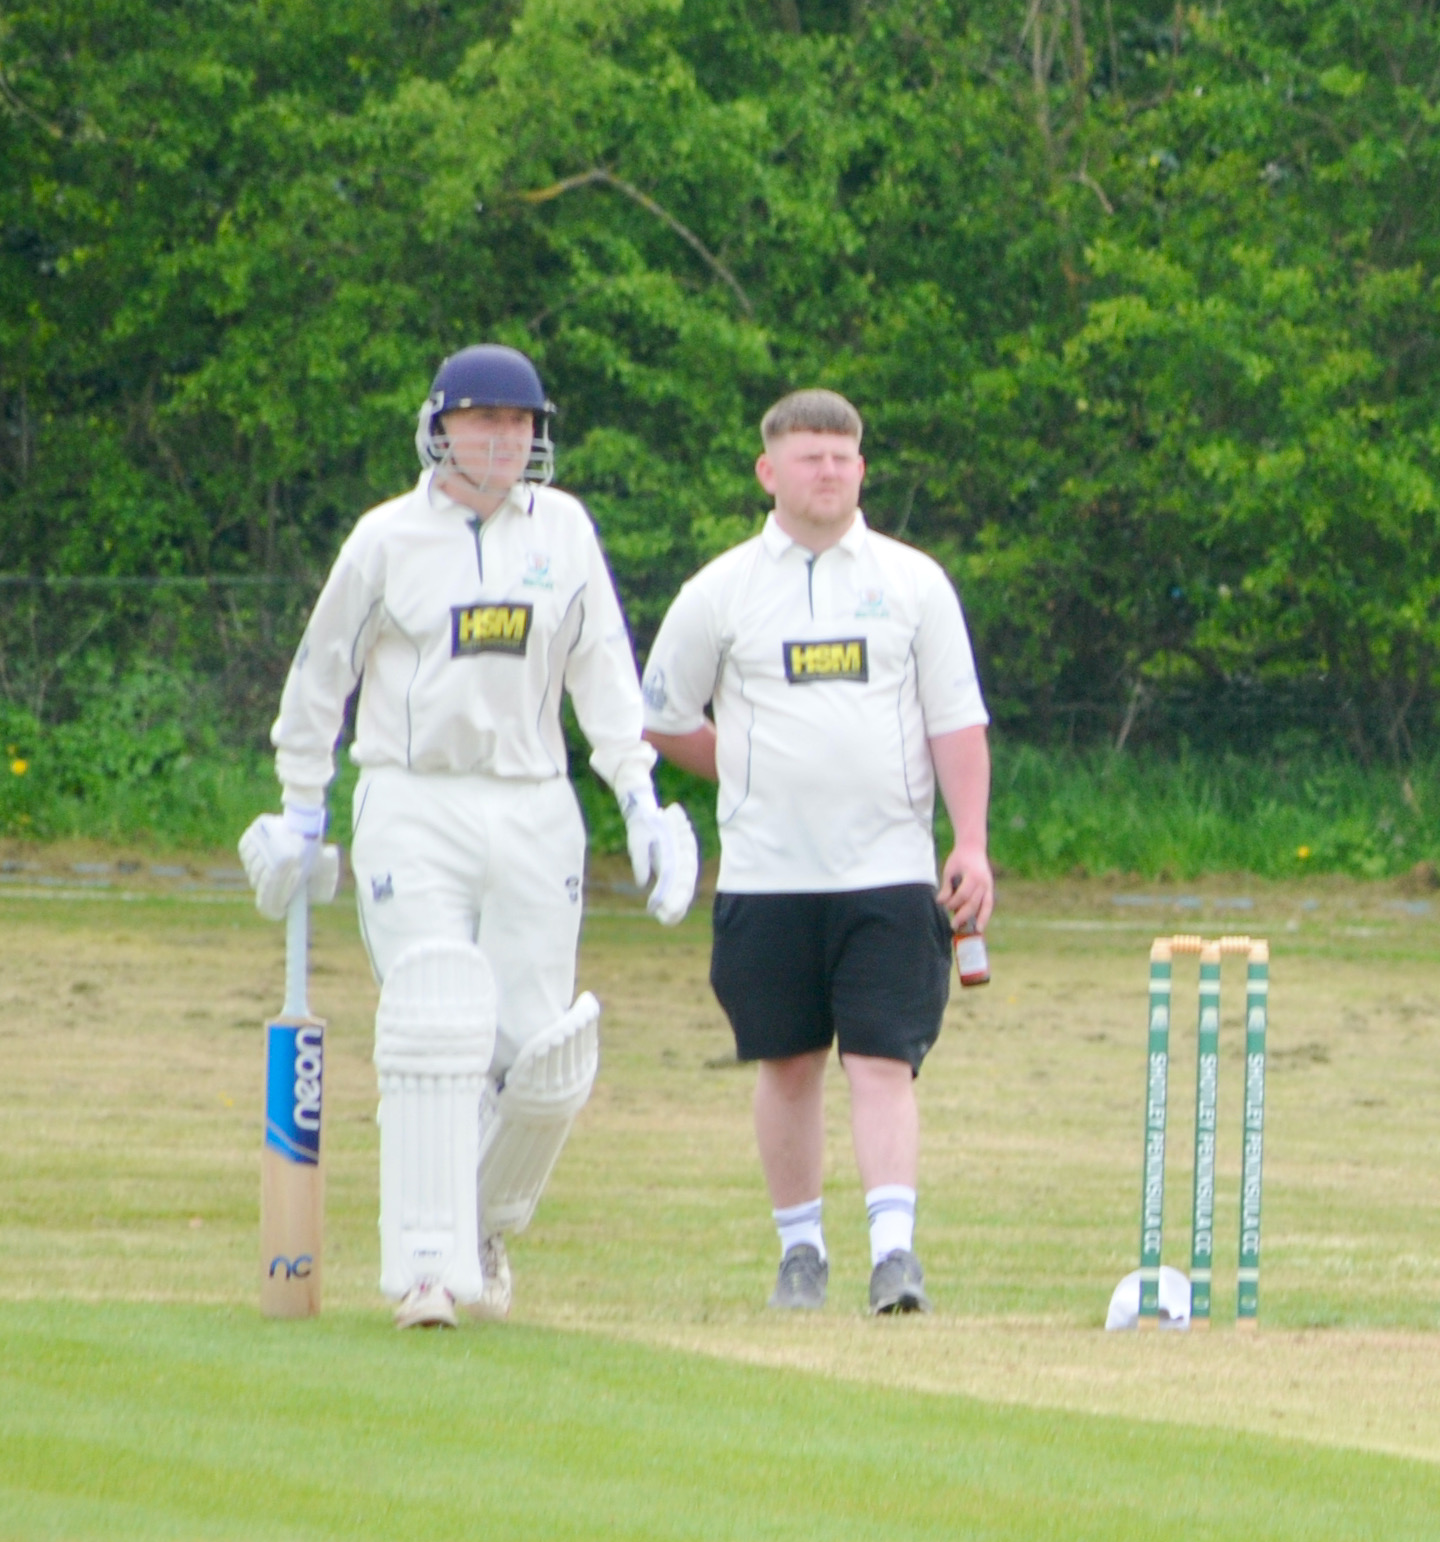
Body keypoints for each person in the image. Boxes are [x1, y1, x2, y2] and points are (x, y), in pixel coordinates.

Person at [240, 343, 702, 1329]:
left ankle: (476, 1229)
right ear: (440, 426)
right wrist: (300, 805)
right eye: (482, 420)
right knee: (434, 1018)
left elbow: (605, 676)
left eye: (519, 422)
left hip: (535, 802)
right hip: (415, 795)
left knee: (539, 1053)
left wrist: (641, 801)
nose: (501, 438)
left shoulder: (564, 530)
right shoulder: (386, 539)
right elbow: (320, 676)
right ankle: (424, 1268)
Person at [641, 389, 994, 1315]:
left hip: (890, 869)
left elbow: (957, 722)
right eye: (808, 455)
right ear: (769, 471)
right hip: (768, 875)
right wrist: (753, 770)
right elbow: (663, 716)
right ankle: (802, 1254)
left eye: (842, 455)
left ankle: (894, 1255)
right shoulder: (720, 590)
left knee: (883, 1059)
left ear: (862, 470)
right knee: (788, 1061)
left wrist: (974, 844)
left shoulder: (912, 581)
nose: (827, 470)